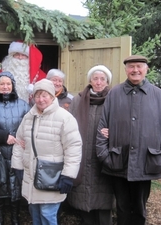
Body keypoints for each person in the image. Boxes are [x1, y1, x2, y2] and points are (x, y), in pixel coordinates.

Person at [96, 55, 161, 225]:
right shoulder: (114, 94)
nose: (135, 70)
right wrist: (105, 157)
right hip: (117, 161)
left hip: (146, 162)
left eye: (139, 66)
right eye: (131, 67)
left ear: (146, 69)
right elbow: (102, 128)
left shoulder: (158, 96)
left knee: (140, 209)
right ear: (126, 70)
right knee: (122, 208)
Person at [11, 79, 82, 225]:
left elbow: (73, 147)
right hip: (31, 174)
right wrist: (17, 166)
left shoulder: (65, 118)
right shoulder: (29, 117)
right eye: (37, 95)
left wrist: (68, 175)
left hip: (52, 176)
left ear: (52, 96)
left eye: (45, 95)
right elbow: (19, 142)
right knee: (35, 213)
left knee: (47, 214)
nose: (41, 99)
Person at [0, 71, 30, 225]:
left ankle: (15, 217)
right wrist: (3, 136)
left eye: (8, 84)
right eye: (2, 84)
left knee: (16, 185)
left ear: (13, 86)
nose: (5, 87)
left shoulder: (23, 105)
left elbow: (30, 125)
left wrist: (23, 139)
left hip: (17, 153)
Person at [66, 65, 114, 225]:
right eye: (95, 78)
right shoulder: (78, 100)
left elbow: (123, 122)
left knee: (104, 194)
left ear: (107, 82)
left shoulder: (114, 99)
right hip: (82, 153)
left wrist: (113, 132)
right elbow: (69, 125)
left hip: (104, 153)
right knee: (84, 195)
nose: (99, 82)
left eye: (102, 79)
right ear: (90, 80)